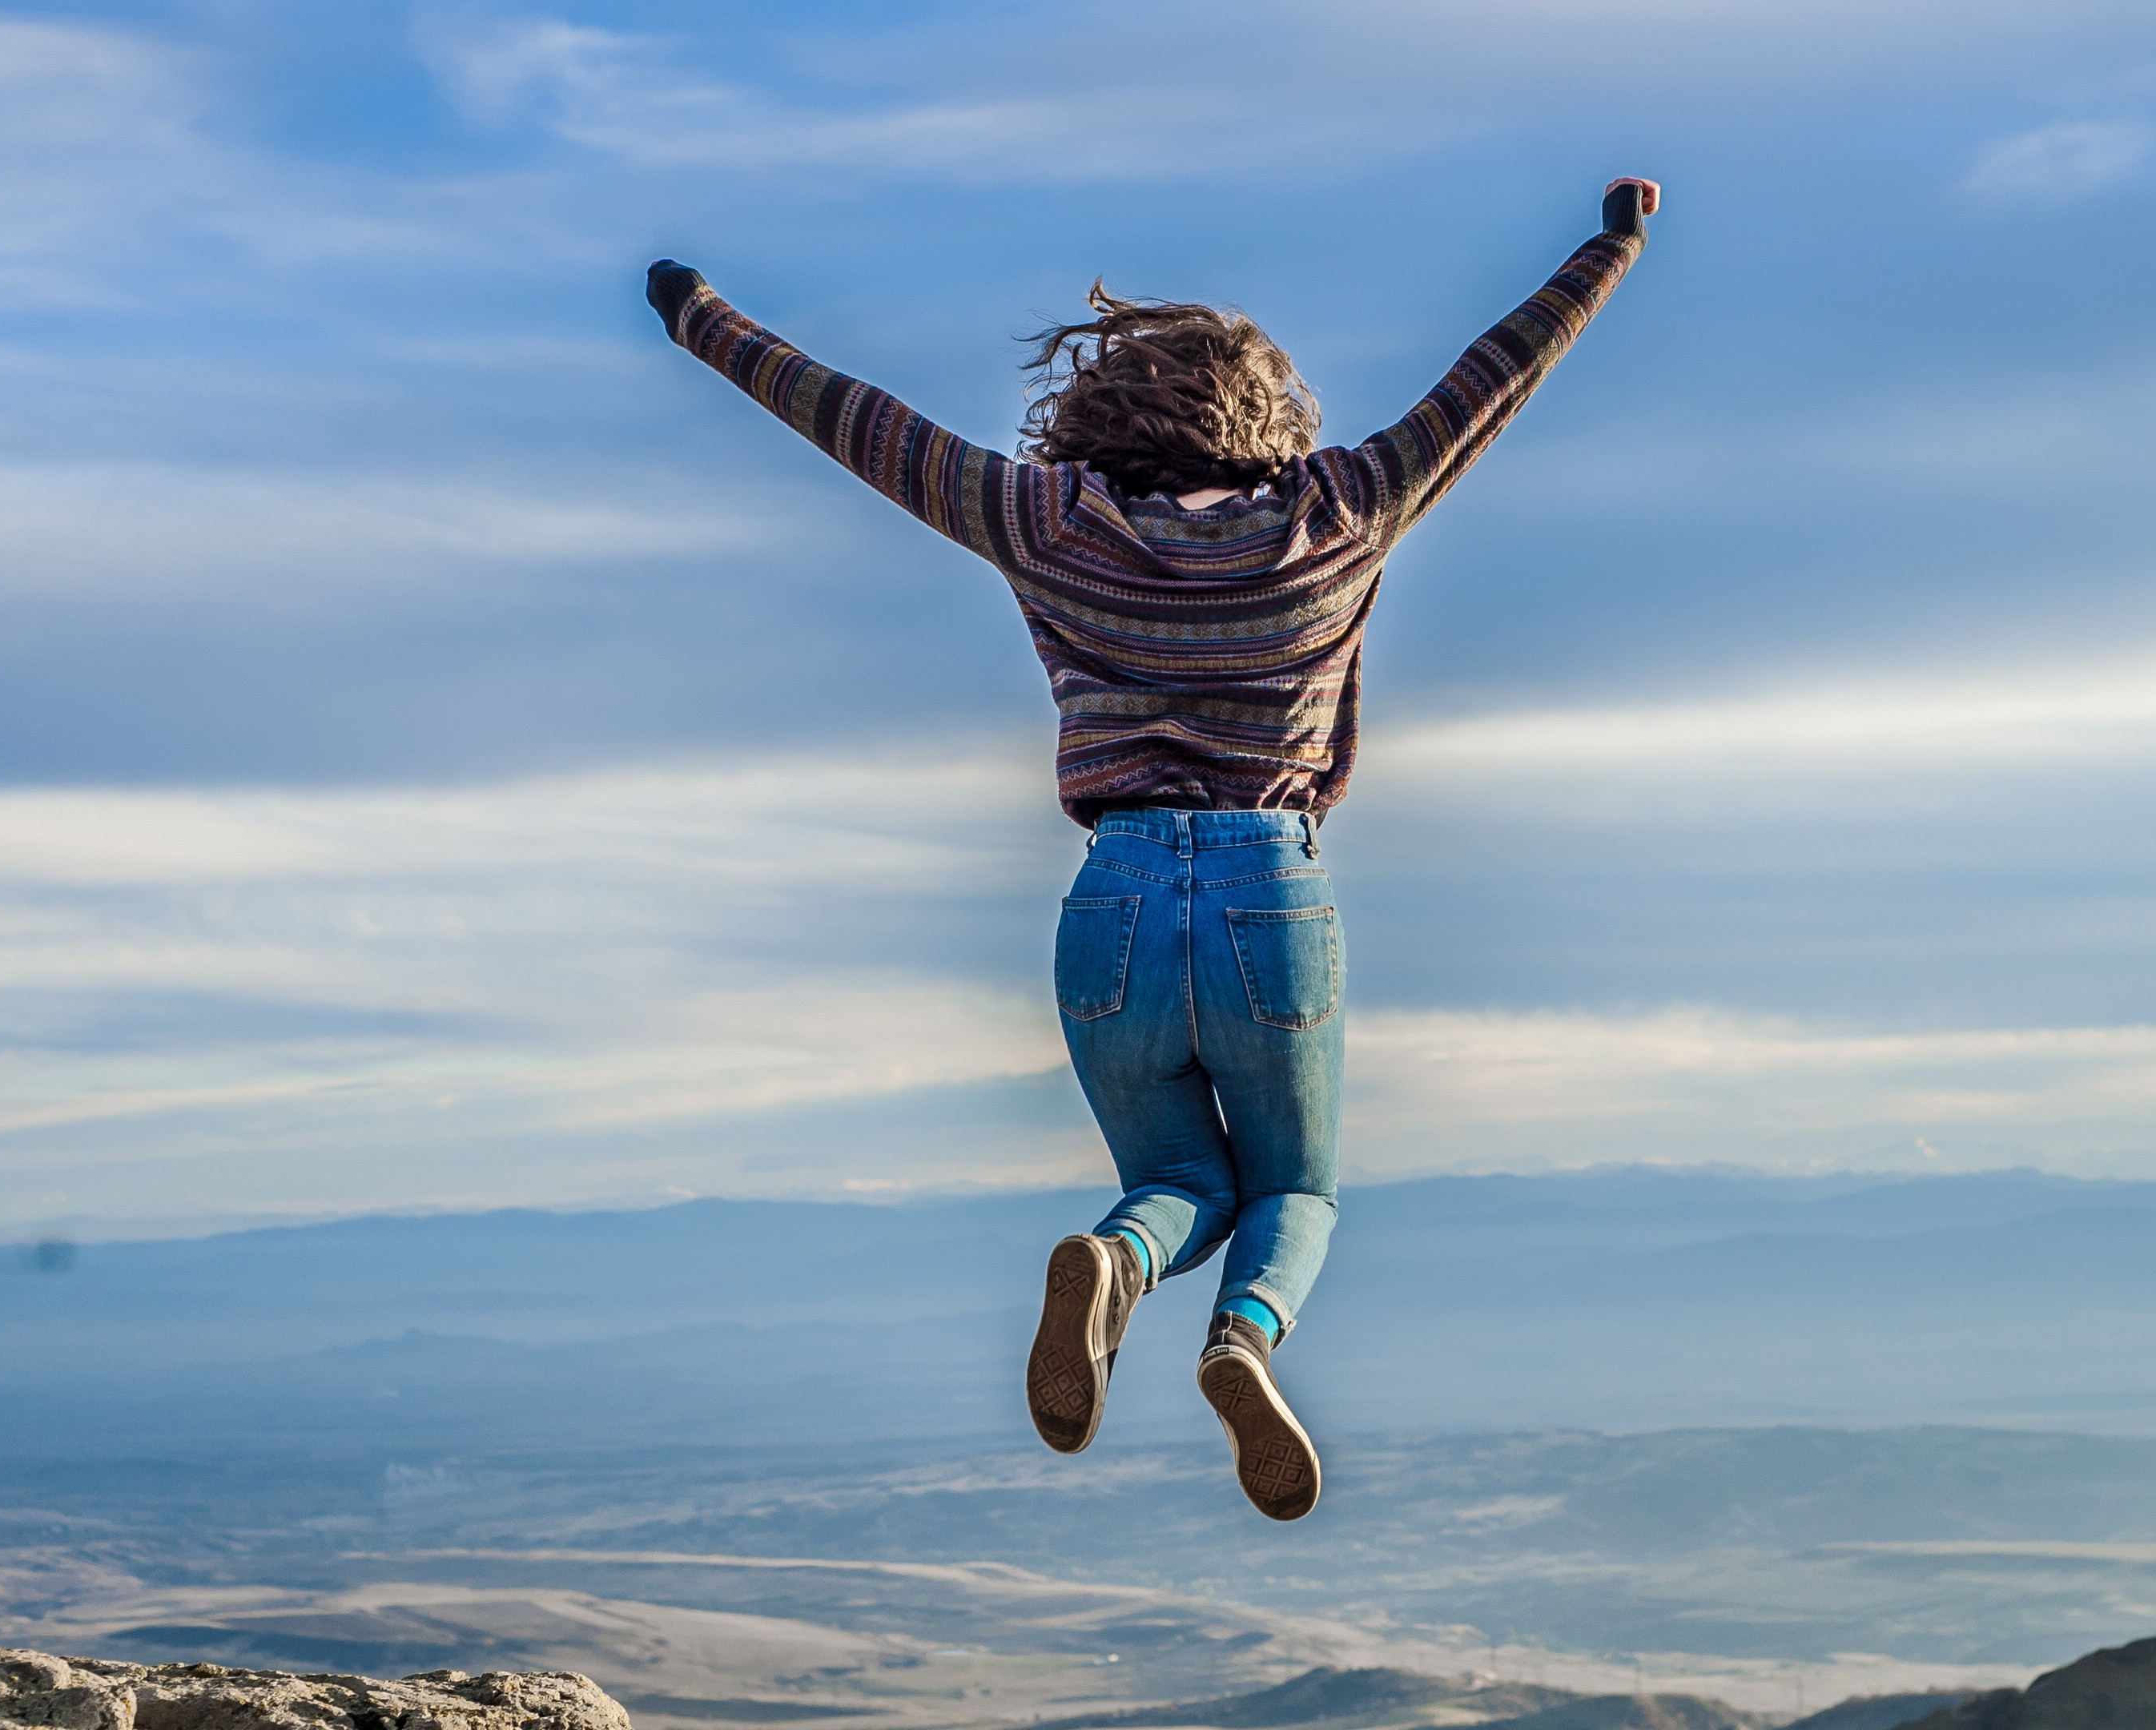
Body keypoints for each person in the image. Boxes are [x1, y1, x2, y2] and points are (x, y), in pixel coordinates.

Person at [644, 177, 1657, 1521]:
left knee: (1178, 1178)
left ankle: (1121, 1265)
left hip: (1110, 902)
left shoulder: (1048, 522)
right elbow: (1491, 378)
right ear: (1271, 419)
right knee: (1295, 1183)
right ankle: (1241, 1345)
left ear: (1100, 418)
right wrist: (1613, 245)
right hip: (1268, 889)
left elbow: (861, 425)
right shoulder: (1341, 511)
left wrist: (699, 317)